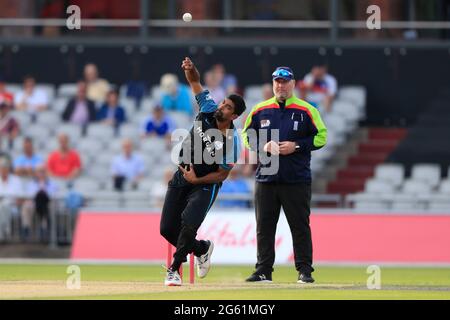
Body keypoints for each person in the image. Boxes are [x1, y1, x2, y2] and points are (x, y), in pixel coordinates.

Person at [160, 57, 246, 286]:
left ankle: (174, 270)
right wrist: (190, 69)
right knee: (167, 229)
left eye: (228, 107)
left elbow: (222, 174)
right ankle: (202, 249)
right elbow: (195, 82)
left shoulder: (233, 141)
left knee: (188, 224)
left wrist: (197, 179)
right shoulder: (208, 108)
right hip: (181, 176)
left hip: (206, 184)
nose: (222, 107)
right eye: (223, 103)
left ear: (234, 116)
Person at [242, 66, 327, 283]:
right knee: (264, 227)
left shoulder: (307, 110)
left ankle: (305, 270)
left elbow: (322, 137)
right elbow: (245, 136)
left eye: (284, 81)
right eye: (277, 81)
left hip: (296, 179)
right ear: (273, 84)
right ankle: (263, 270)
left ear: (293, 83)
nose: (280, 85)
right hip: (266, 178)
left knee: (299, 226)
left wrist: (296, 146)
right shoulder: (260, 109)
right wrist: (263, 145)